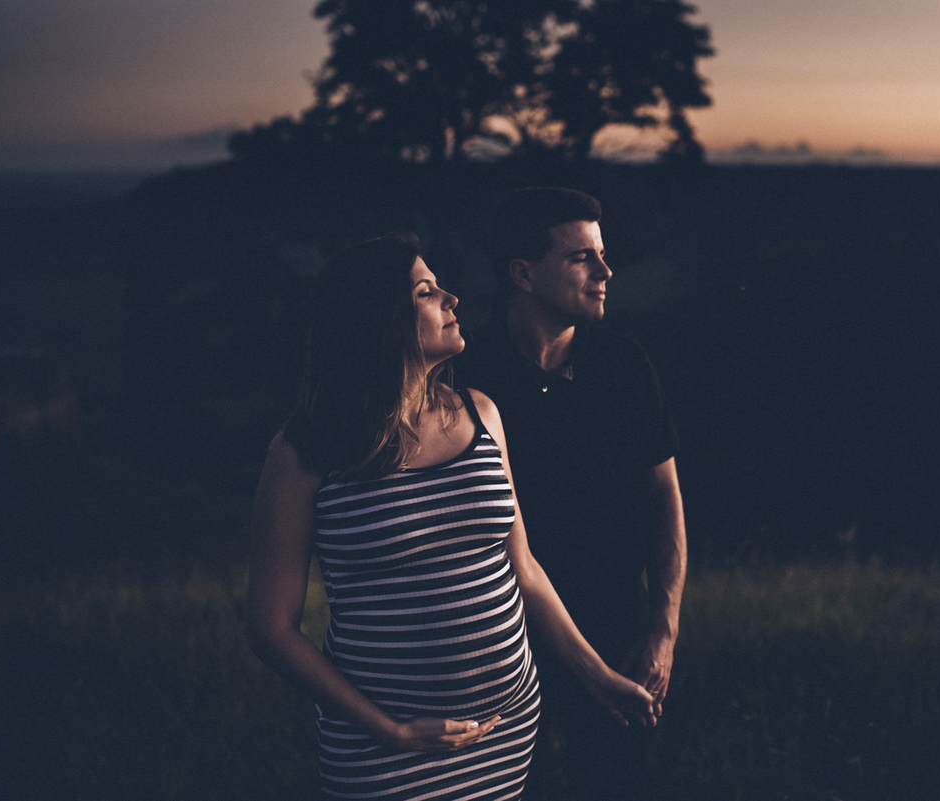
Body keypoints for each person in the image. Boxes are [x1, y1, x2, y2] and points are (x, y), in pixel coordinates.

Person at [246, 233, 655, 800]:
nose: (451, 299)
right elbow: (270, 629)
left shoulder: (481, 413)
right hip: (386, 749)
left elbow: (524, 570)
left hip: (505, 730)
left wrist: (599, 677)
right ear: (378, 318)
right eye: (425, 291)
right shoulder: (303, 451)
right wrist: (388, 729)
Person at [453, 187, 687, 800]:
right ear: (523, 273)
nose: (605, 272)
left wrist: (662, 626)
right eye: (581, 257)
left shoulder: (624, 364)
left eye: (602, 254)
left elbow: (665, 496)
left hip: (615, 629)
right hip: (493, 636)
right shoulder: (463, 375)